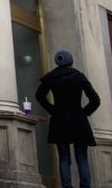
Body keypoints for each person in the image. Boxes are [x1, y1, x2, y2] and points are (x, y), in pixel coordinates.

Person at [35, 50, 100, 188]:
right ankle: (85, 186)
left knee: (64, 157)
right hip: (78, 120)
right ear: (70, 61)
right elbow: (95, 100)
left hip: (59, 120)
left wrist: (52, 110)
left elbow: (39, 96)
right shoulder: (79, 77)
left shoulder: (51, 78)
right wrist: (84, 113)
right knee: (81, 157)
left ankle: (66, 186)